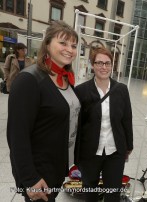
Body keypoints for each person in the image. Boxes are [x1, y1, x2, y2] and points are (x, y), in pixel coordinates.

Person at [7, 20, 80, 202]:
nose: (69, 49)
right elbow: (17, 136)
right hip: (38, 174)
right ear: (47, 44)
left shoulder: (65, 79)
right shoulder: (29, 80)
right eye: (63, 43)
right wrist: (30, 178)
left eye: (73, 45)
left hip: (56, 167)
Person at [75, 47, 133, 202]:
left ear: (112, 65)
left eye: (107, 63)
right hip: (89, 152)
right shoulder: (81, 91)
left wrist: (129, 146)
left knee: (113, 193)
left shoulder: (121, 90)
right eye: (99, 63)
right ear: (92, 65)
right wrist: (76, 155)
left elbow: (127, 119)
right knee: (90, 189)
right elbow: (77, 126)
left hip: (115, 152)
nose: (104, 67)